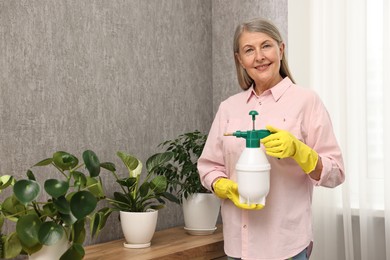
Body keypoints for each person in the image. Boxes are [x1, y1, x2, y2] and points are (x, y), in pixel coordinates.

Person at [197, 17, 345, 260]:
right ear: (240, 60)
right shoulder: (228, 108)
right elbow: (208, 166)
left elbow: (336, 172)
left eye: (266, 46)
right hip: (237, 247)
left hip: (286, 246)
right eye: (248, 50)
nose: (259, 57)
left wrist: (301, 152)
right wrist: (223, 185)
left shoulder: (306, 102)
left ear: (281, 49)